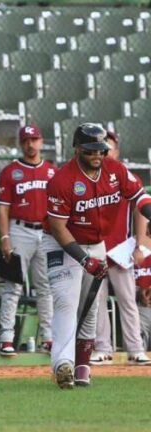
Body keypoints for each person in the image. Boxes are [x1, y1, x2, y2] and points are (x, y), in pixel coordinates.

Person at [44, 123, 151, 389]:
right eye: (90, 150)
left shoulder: (115, 169)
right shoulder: (62, 180)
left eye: (100, 150)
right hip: (62, 243)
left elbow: (140, 196)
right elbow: (57, 228)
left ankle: (82, 366)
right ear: (77, 148)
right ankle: (63, 364)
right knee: (66, 302)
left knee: (90, 306)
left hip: (96, 242)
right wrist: (83, 259)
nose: (97, 155)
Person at [91, 131, 150, 366]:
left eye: (110, 147)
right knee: (98, 301)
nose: (105, 152)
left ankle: (136, 349)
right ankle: (102, 348)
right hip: (94, 247)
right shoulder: (88, 175)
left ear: (116, 151)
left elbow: (140, 208)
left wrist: (140, 245)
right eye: (101, 147)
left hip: (119, 248)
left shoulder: (125, 175)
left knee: (127, 300)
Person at [0, 125, 56, 357]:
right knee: (13, 286)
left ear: (41, 141)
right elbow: (3, 210)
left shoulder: (52, 171)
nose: (30, 144)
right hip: (19, 229)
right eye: (26, 140)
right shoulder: (10, 171)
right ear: (21, 144)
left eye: (34, 139)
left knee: (46, 286)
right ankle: (6, 338)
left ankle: (48, 337)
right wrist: (5, 238)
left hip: (46, 232)